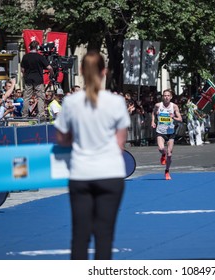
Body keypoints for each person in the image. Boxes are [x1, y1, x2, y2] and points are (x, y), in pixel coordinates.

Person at [54, 50, 130, 260]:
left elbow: (61, 138)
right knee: (104, 235)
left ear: (81, 71)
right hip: (110, 172)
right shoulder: (116, 102)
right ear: (104, 71)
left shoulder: (71, 102)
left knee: (80, 235)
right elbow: (120, 143)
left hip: (81, 173)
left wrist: (77, 140)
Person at [151, 88, 182, 180]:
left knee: (169, 154)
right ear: (162, 97)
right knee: (161, 148)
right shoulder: (158, 105)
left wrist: (174, 117)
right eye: (165, 95)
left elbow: (180, 119)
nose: (166, 97)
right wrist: (153, 121)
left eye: (168, 95)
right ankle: (163, 154)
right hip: (160, 131)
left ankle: (167, 171)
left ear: (171, 97)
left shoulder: (174, 106)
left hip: (170, 132)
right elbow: (153, 113)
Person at [21, 40, 54, 120]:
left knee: (26, 98)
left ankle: (24, 116)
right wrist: (52, 73)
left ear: (30, 47)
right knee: (40, 97)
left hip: (28, 79)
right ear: (37, 47)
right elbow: (49, 67)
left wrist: (26, 76)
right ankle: (41, 115)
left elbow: (22, 69)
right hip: (38, 80)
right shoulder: (40, 57)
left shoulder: (25, 56)